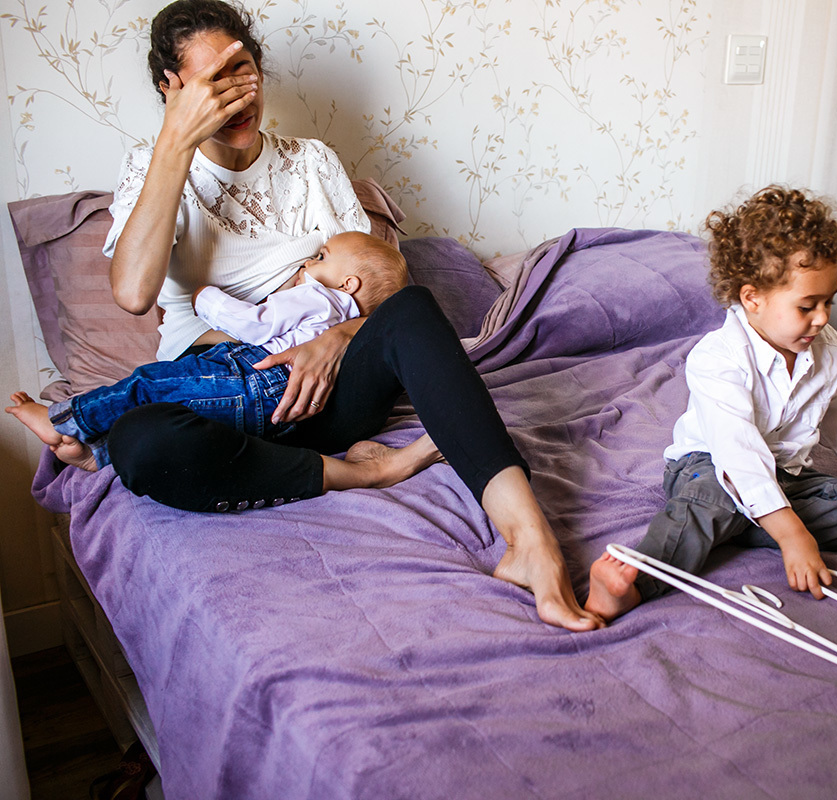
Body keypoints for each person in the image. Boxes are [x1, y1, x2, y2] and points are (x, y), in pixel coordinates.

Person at [57, 0, 601, 631]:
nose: (236, 94)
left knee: (415, 309)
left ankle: (529, 542)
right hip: (216, 399)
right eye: (214, 81)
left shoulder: (311, 162)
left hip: (326, 392)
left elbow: (373, 285)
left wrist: (337, 338)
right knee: (136, 444)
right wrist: (176, 141)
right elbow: (132, 291)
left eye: (243, 70)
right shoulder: (151, 172)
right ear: (171, 89)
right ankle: (364, 472)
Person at [585, 185, 837, 621]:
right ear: (752, 298)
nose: (822, 317)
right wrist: (792, 538)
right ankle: (637, 584)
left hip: (783, 475)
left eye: (828, 302)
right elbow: (739, 453)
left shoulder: (823, 346)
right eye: (807, 305)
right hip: (709, 465)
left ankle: (741, 523)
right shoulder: (718, 358)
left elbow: (835, 404)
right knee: (717, 496)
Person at [7, 231, 417, 472]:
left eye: (323, 256)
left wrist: (204, 299)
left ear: (348, 285)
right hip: (277, 400)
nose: (311, 260)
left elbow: (255, 324)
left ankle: (65, 418)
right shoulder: (348, 325)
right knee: (188, 420)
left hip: (253, 378)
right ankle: (98, 453)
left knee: (150, 385)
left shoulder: (318, 298)